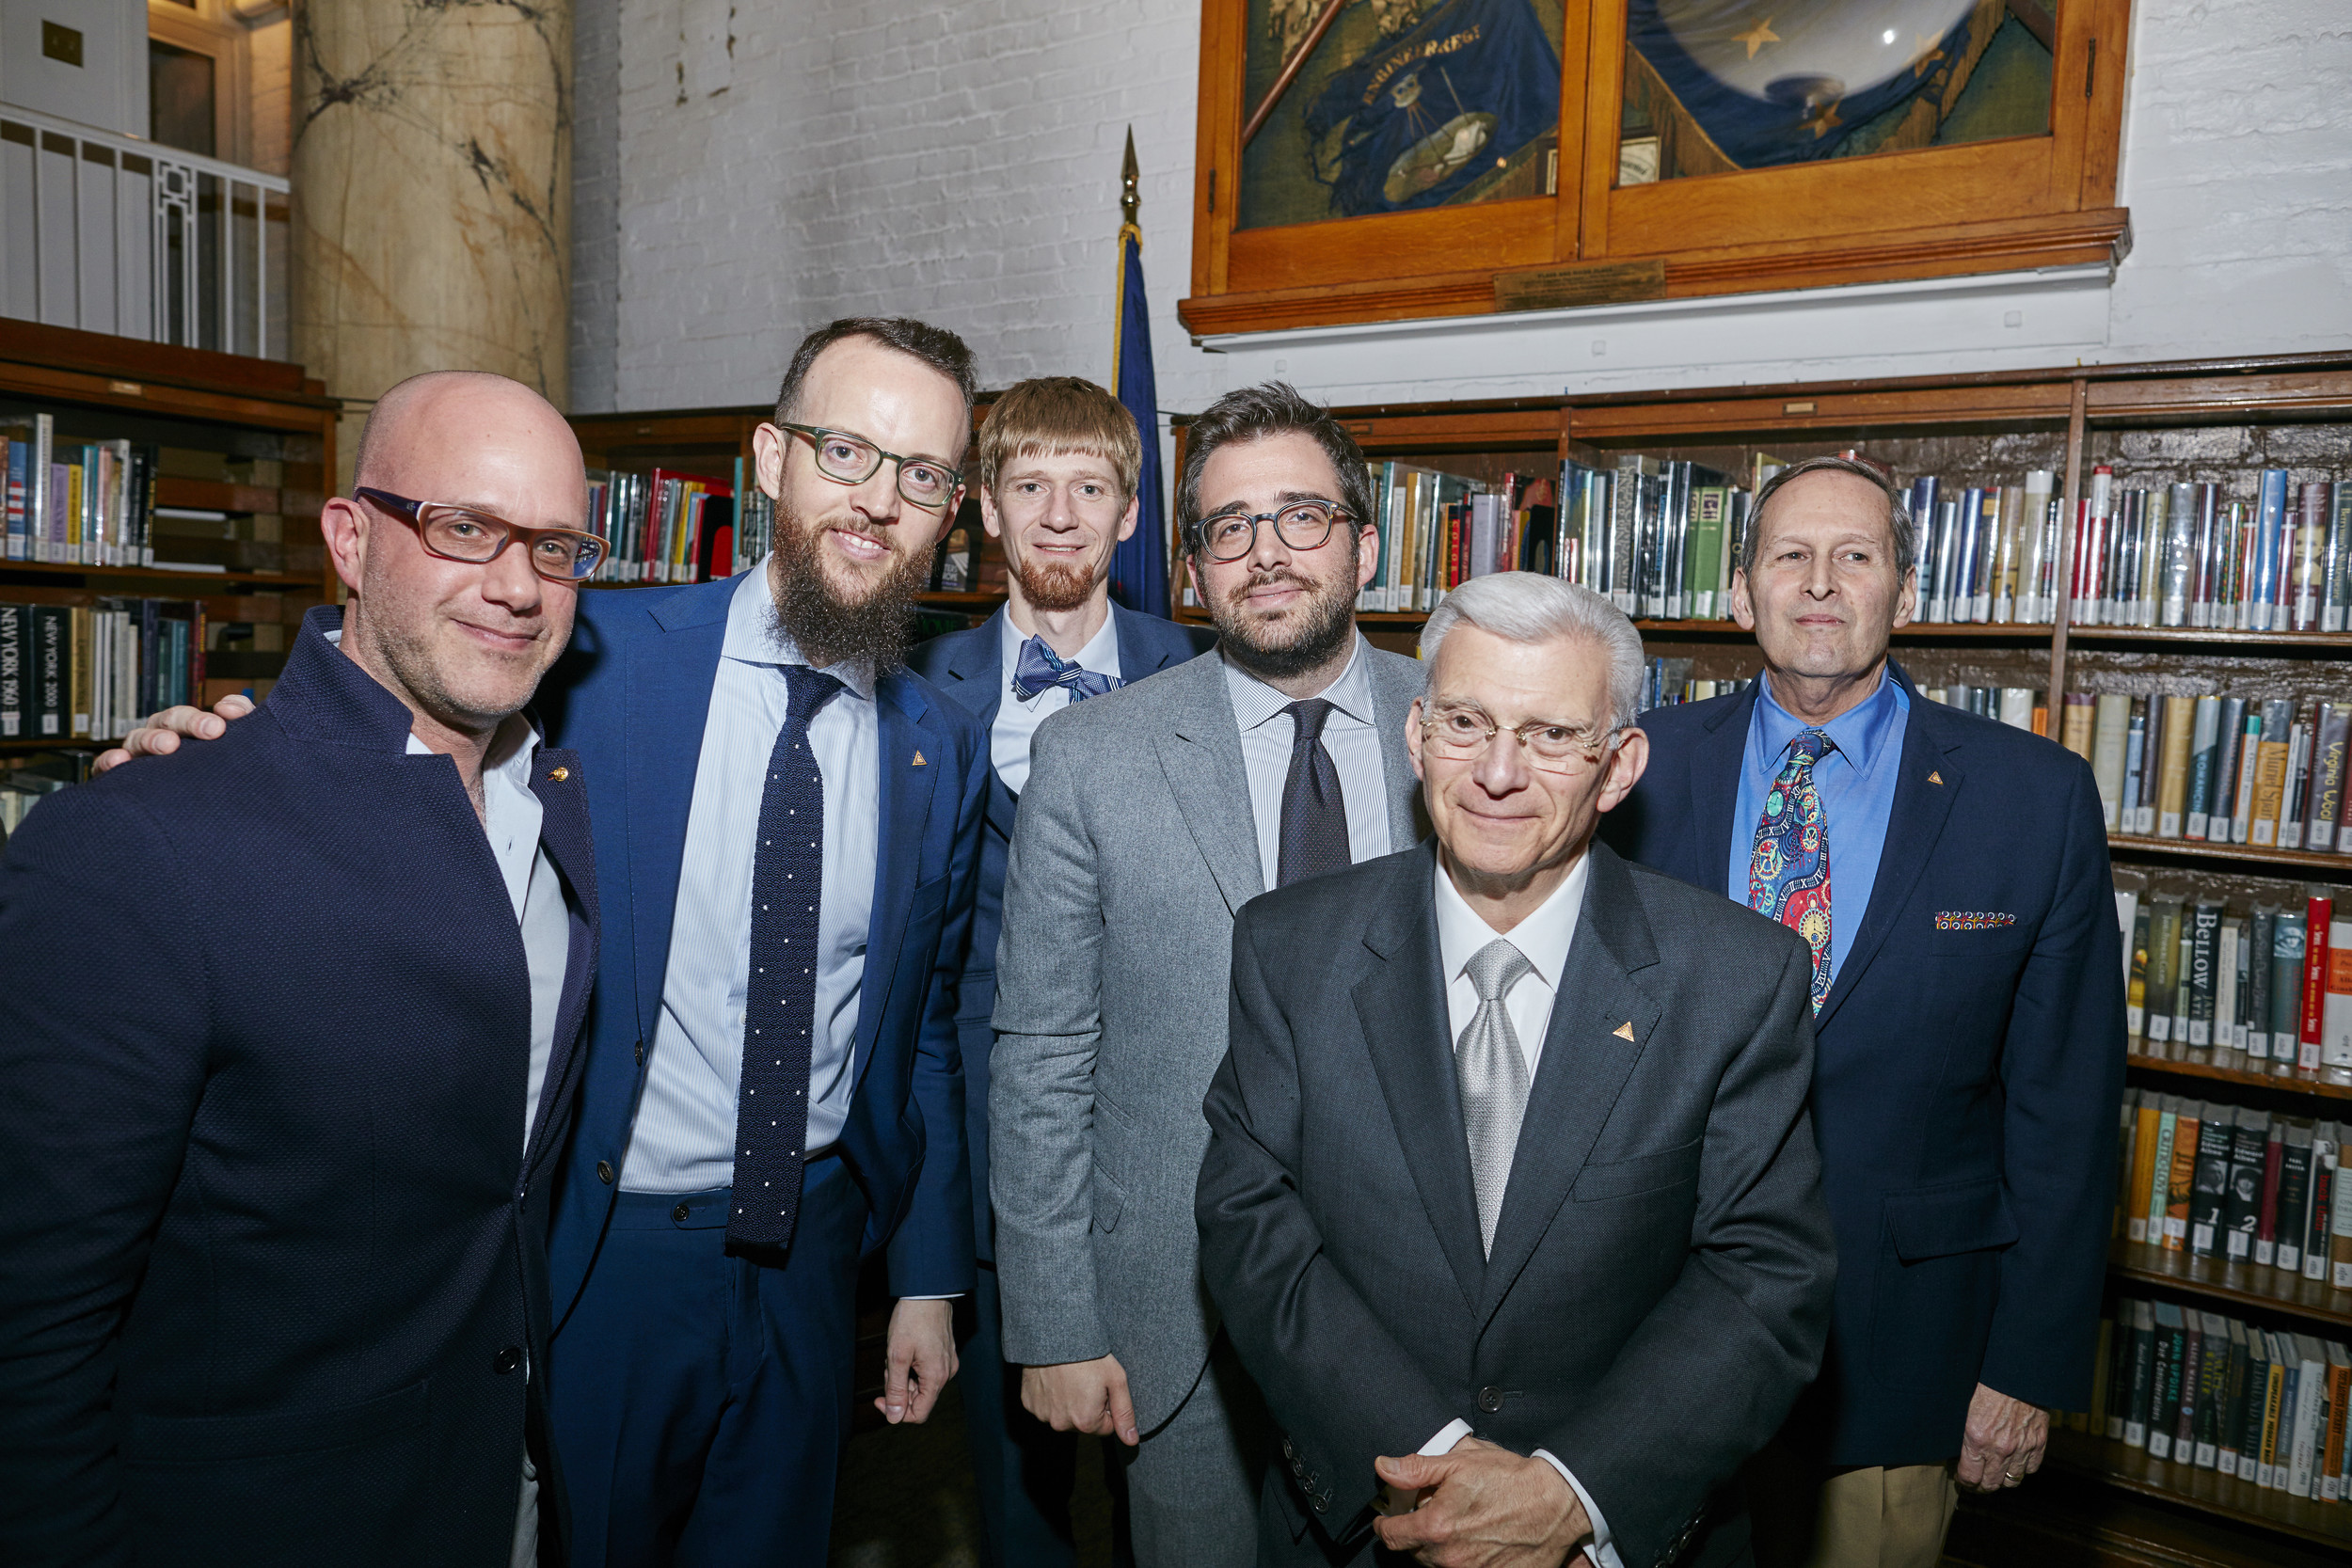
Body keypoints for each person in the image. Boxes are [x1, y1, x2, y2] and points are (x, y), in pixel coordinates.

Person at [99, 318, 993, 1565]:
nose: (879, 500)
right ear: (772, 458)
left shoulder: (936, 743)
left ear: (950, 510)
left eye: (923, 474)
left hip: (813, 1263)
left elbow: (926, 1024)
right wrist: (214, 761)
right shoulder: (593, 657)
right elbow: (391, 698)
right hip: (601, 1254)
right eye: (847, 450)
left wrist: (928, 1274)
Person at [0, 372, 603, 1566]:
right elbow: (32, 1327)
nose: (518, 584)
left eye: (557, 546)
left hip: (504, 1487)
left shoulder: (561, 803)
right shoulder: (137, 842)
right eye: (463, 528)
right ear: (347, 536)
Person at [1196, 572, 1836, 1568]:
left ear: (1618, 765)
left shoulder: (1738, 977)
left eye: (1549, 734)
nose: (1497, 771)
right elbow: (1252, 1225)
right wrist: (1441, 1460)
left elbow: (1763, 1277)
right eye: (1465, 720)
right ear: (1415, 737)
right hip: (1368, 1519)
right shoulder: (1289, 949)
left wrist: (1572, 1492)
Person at [1603, 455, 2125, 1568]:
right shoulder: (1635, 772)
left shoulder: (2031, 798)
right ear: (1740, 593)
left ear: (1904, 588)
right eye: (1789, 555)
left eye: (1856, 555)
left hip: (1905, 1343)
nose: (1821, 583)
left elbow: (2066, 1110)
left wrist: (2027, 1362)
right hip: (1650, 1327)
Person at [989, 382, 1427, 1568]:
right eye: (1229, 527)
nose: (1266, 553)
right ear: (1191, 566)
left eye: (1301, 516)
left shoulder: (1456, 726)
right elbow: (1040, 1048)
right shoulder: (1090, 755)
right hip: (1175, 1326)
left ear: (1364, 542)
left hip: (1424, 1312)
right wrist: (1052, 1319)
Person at [906, 375, 1214, 1568]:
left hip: (1175, 1154)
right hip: (993, 1159)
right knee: (1017, 1512)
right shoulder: (921, 695)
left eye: (1090, 487)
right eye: (1028, 485)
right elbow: (911, 996)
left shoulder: (1199, 671)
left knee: (1182, 1497)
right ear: (985, 508)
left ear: (1130, 515)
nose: (1060, 514)